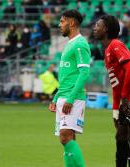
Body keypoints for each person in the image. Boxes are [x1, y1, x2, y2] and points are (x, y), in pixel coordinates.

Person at [93, 15, 130, 167]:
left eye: (97, 25)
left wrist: (125, 98)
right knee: (120, 135)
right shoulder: (107, 52)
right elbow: (115, 84)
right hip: (128, 96)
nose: (94, 28)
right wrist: (115, 111)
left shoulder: (116, 44)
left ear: (105, 29)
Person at [48, 9, 91, 167]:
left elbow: (84, 73)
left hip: (73, 98)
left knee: (65, 137)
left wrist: (71, 98)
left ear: (71, 22)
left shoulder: (80, 44)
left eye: (62, 21)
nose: (59, 25)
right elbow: (67, 77)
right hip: (64, 96)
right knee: (66, 139)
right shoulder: (69, 44)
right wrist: (56, 97)